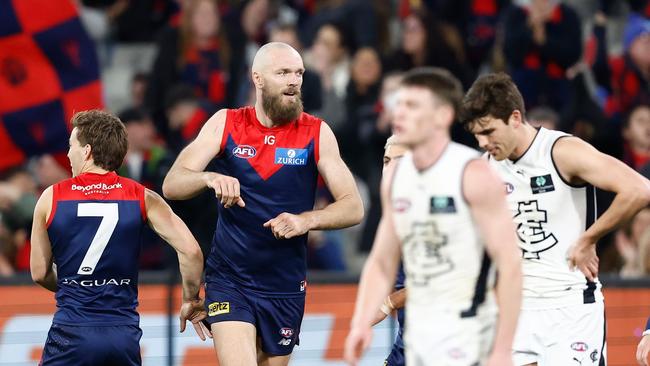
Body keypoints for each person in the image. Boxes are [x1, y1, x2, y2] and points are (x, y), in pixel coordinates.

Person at [162, 42, 364, 366]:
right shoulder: (226, 123)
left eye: (298, 73)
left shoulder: (316, 133)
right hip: (230, 279)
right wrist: (209, 179)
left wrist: (306, 221)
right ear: (257, 78)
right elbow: (173, 183)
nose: (294, 81)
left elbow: (353, 206)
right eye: (283, 72)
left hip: (285, 285)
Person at [460, 72, 650, 365]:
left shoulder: (561, 151)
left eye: (488, 132)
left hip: (570, 304)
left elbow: (639, 189)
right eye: (476, 134)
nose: (482, 142)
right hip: (518, 306)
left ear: (514, 117)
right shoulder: (485, 168)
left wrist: (589, 238)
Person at [344, 67, 522, 366]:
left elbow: (509, 266)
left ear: (442, 116)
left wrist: (503, 349)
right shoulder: (397, 183)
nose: (399, 113)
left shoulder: (472, 174)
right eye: (399, 105)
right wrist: (361, 322)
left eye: (412, 106)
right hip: (420, 338)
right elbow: (382, 261)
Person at [30, 110, 208, 365]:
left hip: (71, 331)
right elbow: (191, 252)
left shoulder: (51, 197)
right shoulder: (142, 196)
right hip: (122, 335)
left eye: (71, 146)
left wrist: (77, 285)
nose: (68, 154)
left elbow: (39, 272)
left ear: (87, 150)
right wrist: (191, 299)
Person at [370, 135, 408, 366]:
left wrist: (388, 304)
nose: (391, 168)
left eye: (401, 161)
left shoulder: (441, 210)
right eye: (387, 161)